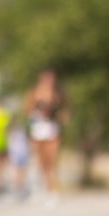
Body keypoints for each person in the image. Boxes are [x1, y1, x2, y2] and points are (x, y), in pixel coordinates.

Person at [25, 67, 69, 196]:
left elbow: (66, 108)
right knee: (42, 159)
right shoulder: (34, 92)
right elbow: (27, 109)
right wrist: (37, 112)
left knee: (53, 159)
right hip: (39, 127)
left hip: (52, 126)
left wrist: (62, 116)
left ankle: (52, 188)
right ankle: (44, 185)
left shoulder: (58, 93)